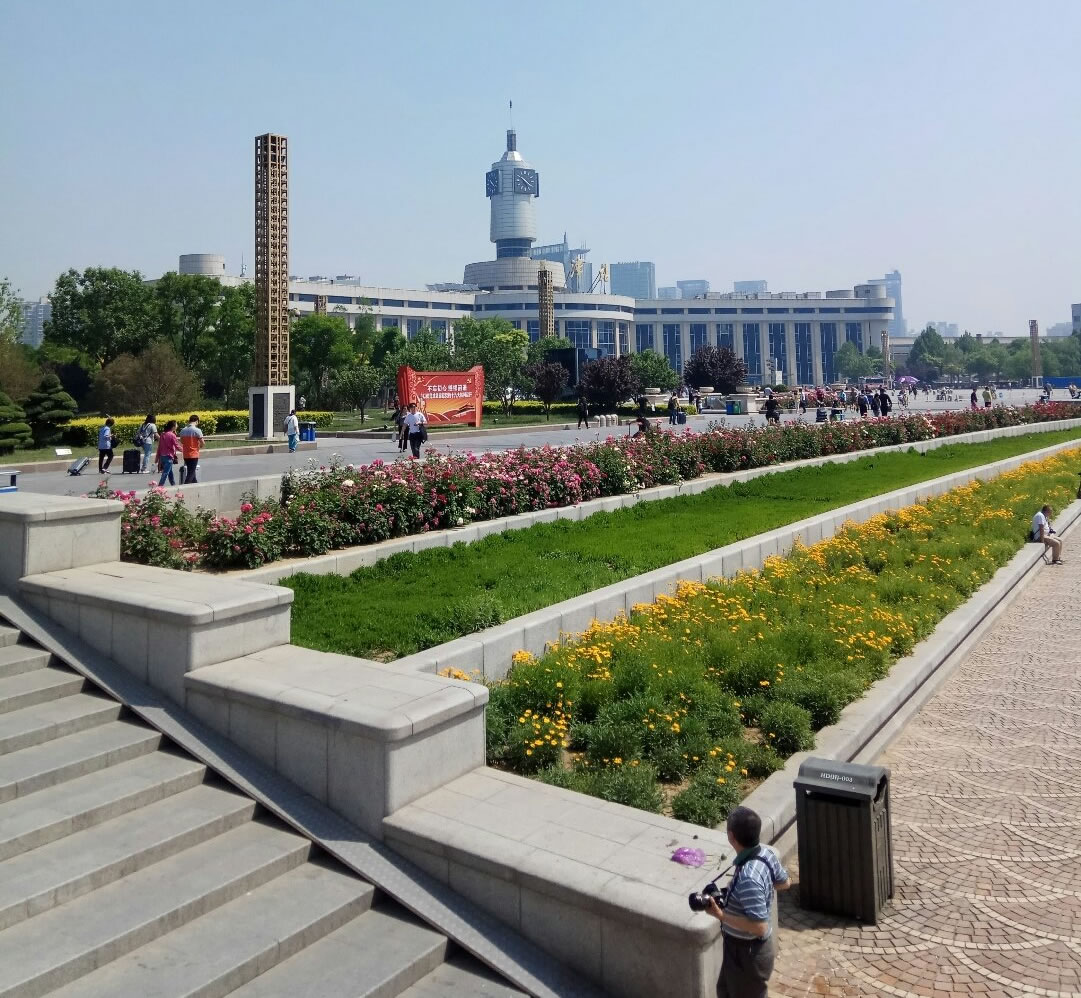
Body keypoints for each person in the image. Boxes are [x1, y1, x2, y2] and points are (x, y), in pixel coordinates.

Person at [705, 805, 790, 998]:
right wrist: (754, 890)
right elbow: (785, 882)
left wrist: (720, 915)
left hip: (746, 954)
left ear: (731, 836)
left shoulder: (749, 878)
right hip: (742, 951)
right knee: (725, 991)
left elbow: (759, 927)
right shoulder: (766, 854)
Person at [179, 414, 204, 484]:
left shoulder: (183, 430)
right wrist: (199, 446)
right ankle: (185, 486)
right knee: (191, 472)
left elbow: (182, 441)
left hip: (186, 454)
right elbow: (202, 442)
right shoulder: (197, 430)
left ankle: (195, 485)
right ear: (197, 421)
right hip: (194, 454)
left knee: (191, 471)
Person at [156, 420, 179, 486]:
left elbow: (160, 446)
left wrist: (157, 457)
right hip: (169, 456)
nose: (177, 426)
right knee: (165, 473)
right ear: (173, 426)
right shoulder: (172, 435)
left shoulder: (163, 434)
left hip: (162, 456)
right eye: (176, 425)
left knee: (170, 472)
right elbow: (177, 446)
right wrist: (184, 450)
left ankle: (173, 484)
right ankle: (160, 486)